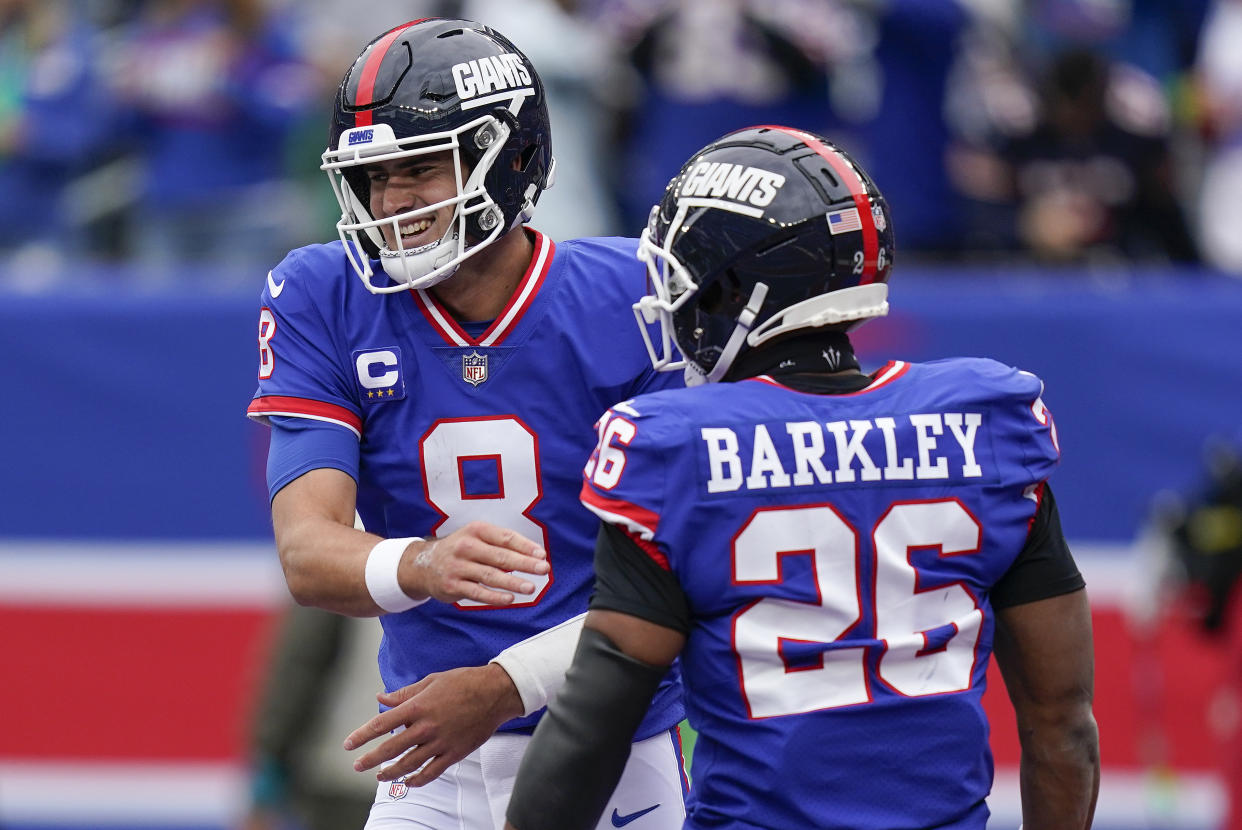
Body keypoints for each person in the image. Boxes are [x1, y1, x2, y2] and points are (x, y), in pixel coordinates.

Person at [504, 125, 1100, 830]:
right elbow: (1062, 724)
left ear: (732, 289)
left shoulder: (677, 452)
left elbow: (593, 723)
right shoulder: (989, 424)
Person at [244, 18, 686, 830]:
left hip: (610, 746)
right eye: (375, 176)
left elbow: (680, 575)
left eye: (419, 168)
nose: (392, 201)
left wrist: (502, 686)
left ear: (512, 156)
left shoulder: (635, 298)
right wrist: (421, 563)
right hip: (431, 762)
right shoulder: (324, 294)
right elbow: (308, 554)